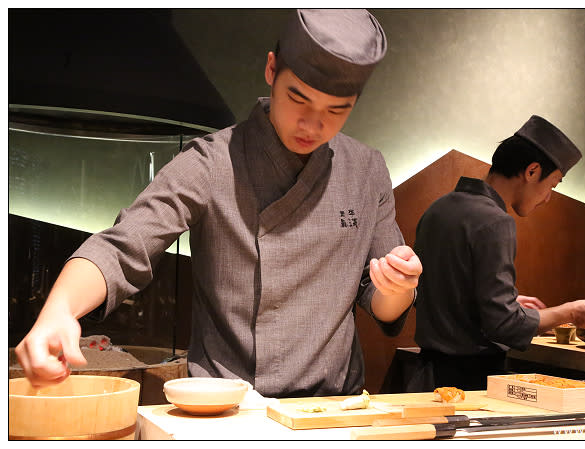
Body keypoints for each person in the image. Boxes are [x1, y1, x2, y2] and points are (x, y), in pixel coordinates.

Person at [15, 9, 422, 398]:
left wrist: (399, 285)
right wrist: (60, 311)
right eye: (298, 98)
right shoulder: (211, 161)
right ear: (271, 70)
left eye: (337, 111)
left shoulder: (367, 169)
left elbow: (384, 304)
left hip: (334, 410)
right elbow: (125, 246)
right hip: (228, 407)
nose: (313, 125)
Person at [412, 115, 585, 391]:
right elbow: (505, 325)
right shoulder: (495, 221)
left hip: (425, 375)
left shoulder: (439, 209)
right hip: (469, 383)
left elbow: (442, 292)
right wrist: (572, 312)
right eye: (551, 185)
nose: (547, 198)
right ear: (531, 171)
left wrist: (507, 300)